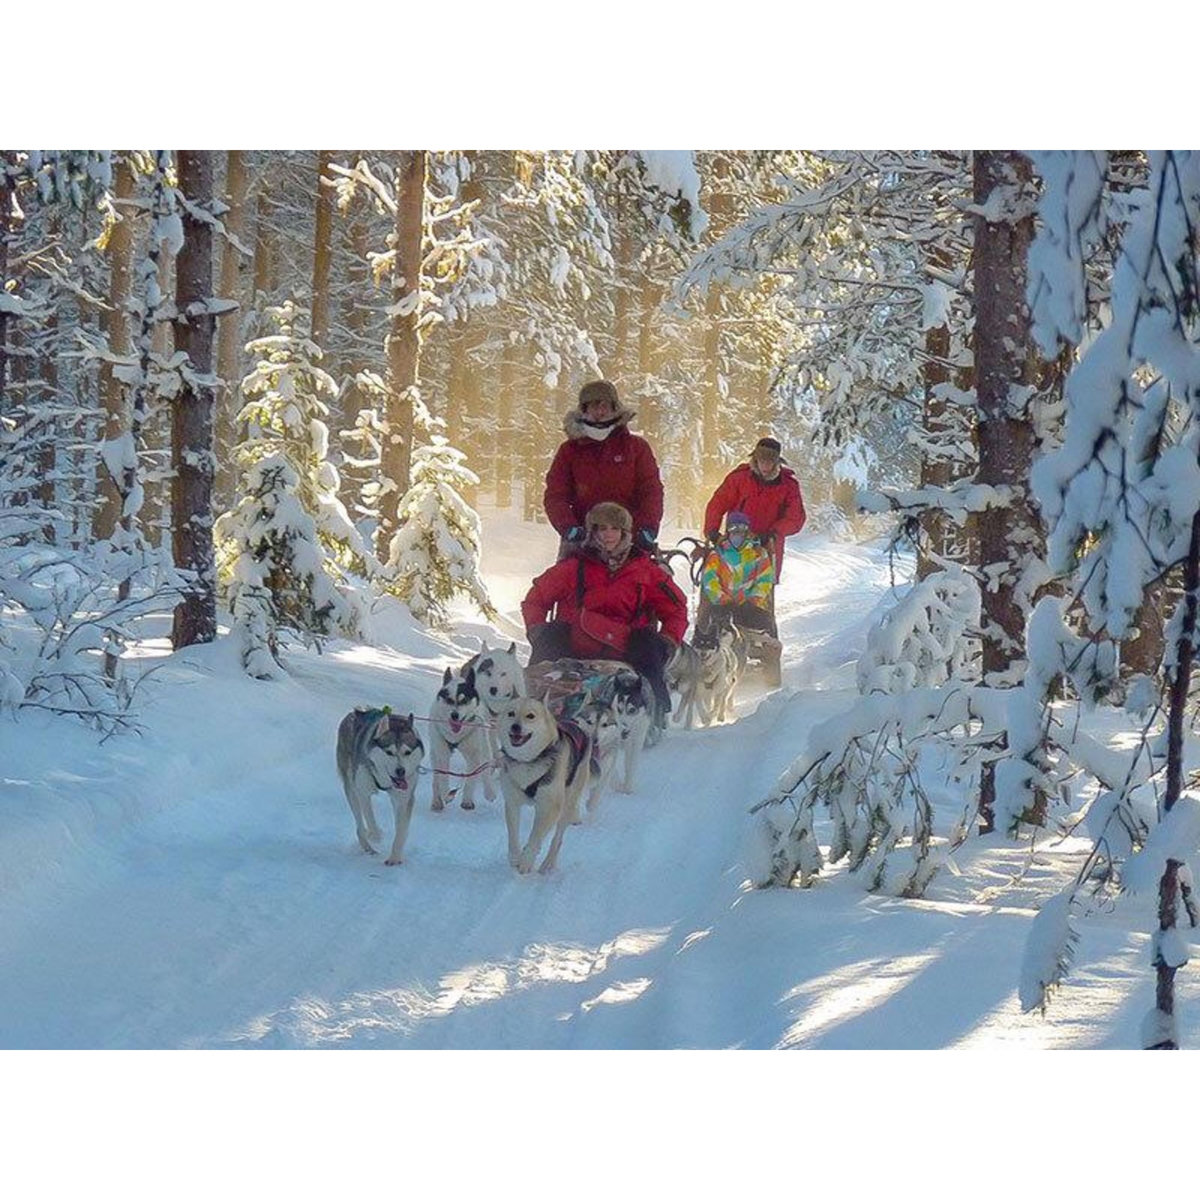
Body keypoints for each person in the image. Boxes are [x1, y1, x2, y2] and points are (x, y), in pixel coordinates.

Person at [522, 501, 688, 722]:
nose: (608, 535)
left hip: (627, 648)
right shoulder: (573, 568)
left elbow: (676, 609)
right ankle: (530, 711)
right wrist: (538, 631)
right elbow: (536, 599)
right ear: (592, 533)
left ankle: (654, 713)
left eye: (615, 528)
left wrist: (666, 641)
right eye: (601, 528)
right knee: (552, 634)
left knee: (648, 642)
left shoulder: (645, 571)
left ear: (625, 532)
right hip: (574, 645)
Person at [544, 380, 664, 559]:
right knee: (565, 585)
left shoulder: (636, 448)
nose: (600, 411)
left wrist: (647, 528)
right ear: (584, 409)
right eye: (594, 406)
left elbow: (651, 491)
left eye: (605, 406)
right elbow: (556, 495)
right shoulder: (569, 451)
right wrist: (568, 528)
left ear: (615, 408)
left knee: (646, 584)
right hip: (581, 543)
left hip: (630, 541)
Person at [702, 436, 806, 579]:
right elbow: (717, 504)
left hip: (768, 545)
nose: (765, 465)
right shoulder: (739, 479)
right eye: (762, 460)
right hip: (735, 542)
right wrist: (712, 530)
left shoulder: (788, 485)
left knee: (762, 589)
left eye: (769, 461)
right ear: (755, 458)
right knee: (729, 583)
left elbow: (795, 518)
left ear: (776, 462)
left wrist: (774, 533)